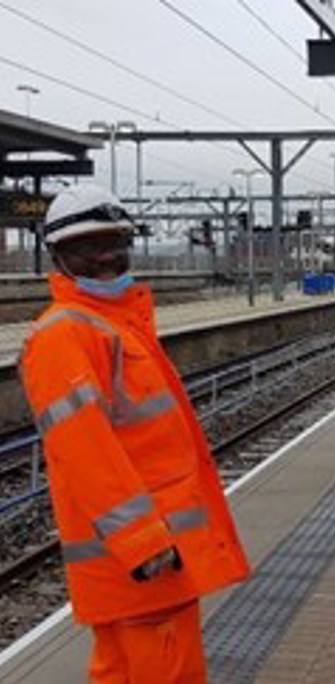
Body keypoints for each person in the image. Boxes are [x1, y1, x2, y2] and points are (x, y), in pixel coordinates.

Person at [19, 184, 250, 683]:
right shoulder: (66, 335)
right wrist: (141, 541)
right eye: (87, 248)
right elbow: (84, 452)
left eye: (116, 242)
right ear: (58, 258)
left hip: (155, 561)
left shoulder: (116, 325)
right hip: (141, 561)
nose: (106, 256)